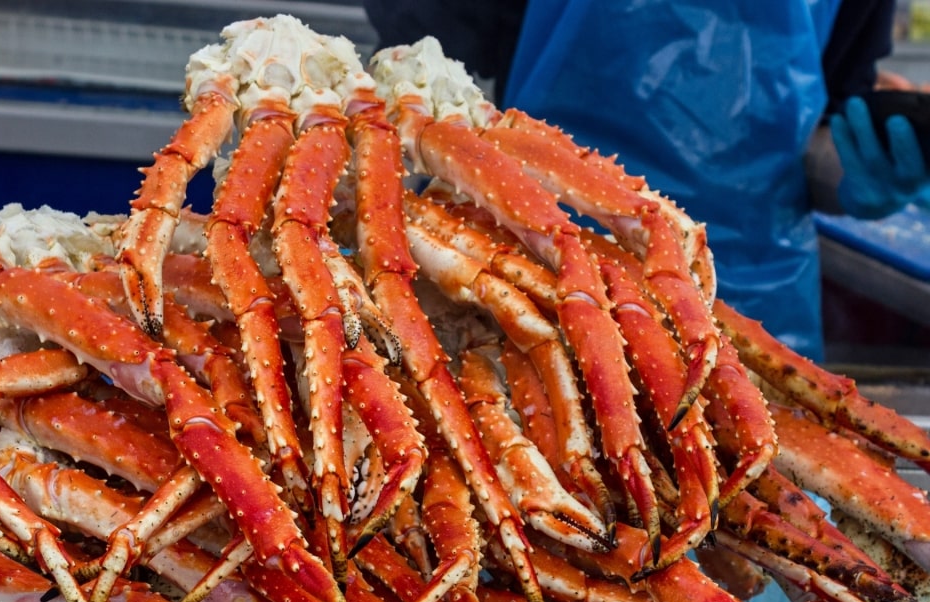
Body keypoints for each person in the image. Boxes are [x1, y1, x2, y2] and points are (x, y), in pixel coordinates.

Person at [364, 0, 930, 361]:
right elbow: (428, 48)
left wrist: (865, 168)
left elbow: (827, 109)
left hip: (759, 303)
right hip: (526, 280)